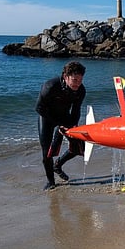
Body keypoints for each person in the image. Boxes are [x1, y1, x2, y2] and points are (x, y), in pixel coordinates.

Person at [36, 61, 86, 190]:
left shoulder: (81, 90)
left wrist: (72, 127)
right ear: (65, 76)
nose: (78, 83)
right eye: (74, 80)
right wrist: (59, 124)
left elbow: (76, 111)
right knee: (47, 153)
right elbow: (39, 108)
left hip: (65, 118)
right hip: (46, 117)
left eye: (80, 80)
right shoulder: (50, 86)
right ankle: (51, 182)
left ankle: (58, 165)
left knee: (80, 148)